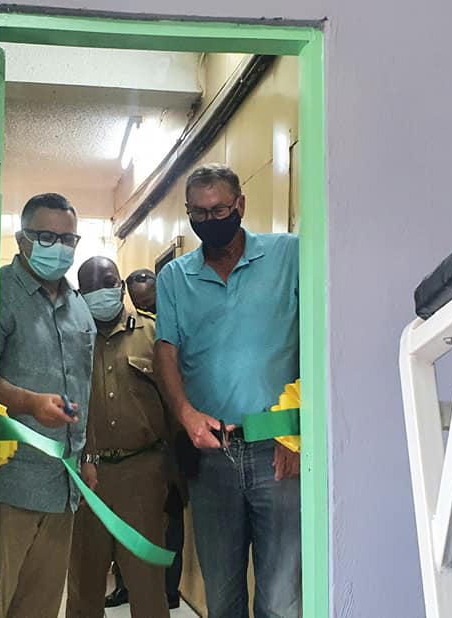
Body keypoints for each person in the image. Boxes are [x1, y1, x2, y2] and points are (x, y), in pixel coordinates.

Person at [154, 164, 302, 617]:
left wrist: (297, 432)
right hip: (211, 454)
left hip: (277, 450)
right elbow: (166, 354)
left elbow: (324, 338)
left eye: (219, 209)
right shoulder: (175, 278)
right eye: (198, 213)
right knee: (223, 598)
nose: (210, 220)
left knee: (281, 599)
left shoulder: (289, 256)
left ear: (240, 205)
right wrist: (185, 415)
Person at [0, 193, 95, 618]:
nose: (61, 247)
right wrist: (29, 402)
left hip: (63, 486)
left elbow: (87, 389)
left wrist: (89, 456)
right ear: (22, 239)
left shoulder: (80, 308)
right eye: (47, 236)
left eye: (69, 239)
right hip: (11, 483)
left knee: (42, 606)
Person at [66, 256, 171, 618]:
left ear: (121, 286)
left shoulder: (154, 334)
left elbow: (174, 402)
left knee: (147, 586)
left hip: (141, 474)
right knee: (83, 583)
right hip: (84, 480)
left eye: (108, 283)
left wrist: (175, 474)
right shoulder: (69, 338)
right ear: (81, 294)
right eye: (92, 288)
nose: (102, 293)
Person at [106, 267, 187, 611]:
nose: (145, 311)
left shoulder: (169, 330)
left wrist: (178, 462)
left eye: (150, 303)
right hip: (126, 461)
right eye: (140, 305)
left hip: (165, 450)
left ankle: (169, 589)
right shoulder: (119, 333)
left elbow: (176, 400)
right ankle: (125, 584)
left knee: (168, 526)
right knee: (124, 530)